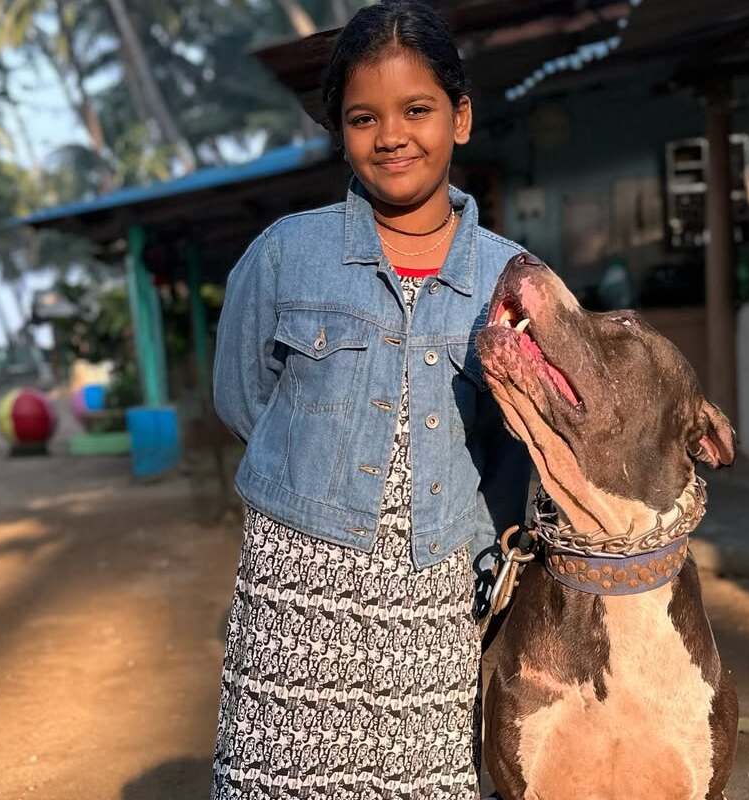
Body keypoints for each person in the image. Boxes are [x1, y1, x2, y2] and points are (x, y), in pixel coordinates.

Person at [209, 2, 531, 798]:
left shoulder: (512, 279)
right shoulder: (286, 254)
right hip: (298, 587)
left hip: (437, 587)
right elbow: (244, 398)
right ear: (340, 132)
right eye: (364, 117)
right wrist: (312, 491)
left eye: (416, 109)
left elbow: (516, 439)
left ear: (459, 117)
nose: (392, 136)